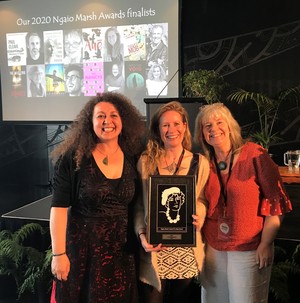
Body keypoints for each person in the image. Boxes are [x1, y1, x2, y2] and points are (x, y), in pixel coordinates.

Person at [49, 92, 146, 303]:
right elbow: (58, 208)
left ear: (123, 120)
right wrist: (58, 255)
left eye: (113, 115)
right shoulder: (74, 158)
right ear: (90, 122)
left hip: (122, 254)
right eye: (100, 116)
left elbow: (141, 203)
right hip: (83, 254)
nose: (107, 121)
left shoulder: (134, 155)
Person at [193, 102, 293, 303]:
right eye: (207, 126)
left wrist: (266, 243)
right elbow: (202, 199)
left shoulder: (254, 154)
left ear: (230, 126)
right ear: (202, 133)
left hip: (249, 247)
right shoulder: (204, 162)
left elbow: (276, 202)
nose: (214, 129)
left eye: (219, 122)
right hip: (214, 247)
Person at [134, 101, 210, 303]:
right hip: (154, 251)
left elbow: (202, 200)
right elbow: (140, 206)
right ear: (158, 130)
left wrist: (199, 215)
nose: (171, 130)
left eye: (176, 124)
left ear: (185, 126)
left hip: (186, 251)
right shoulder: (146, 161)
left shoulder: (200, 163)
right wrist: (142, 236)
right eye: (165, 125)